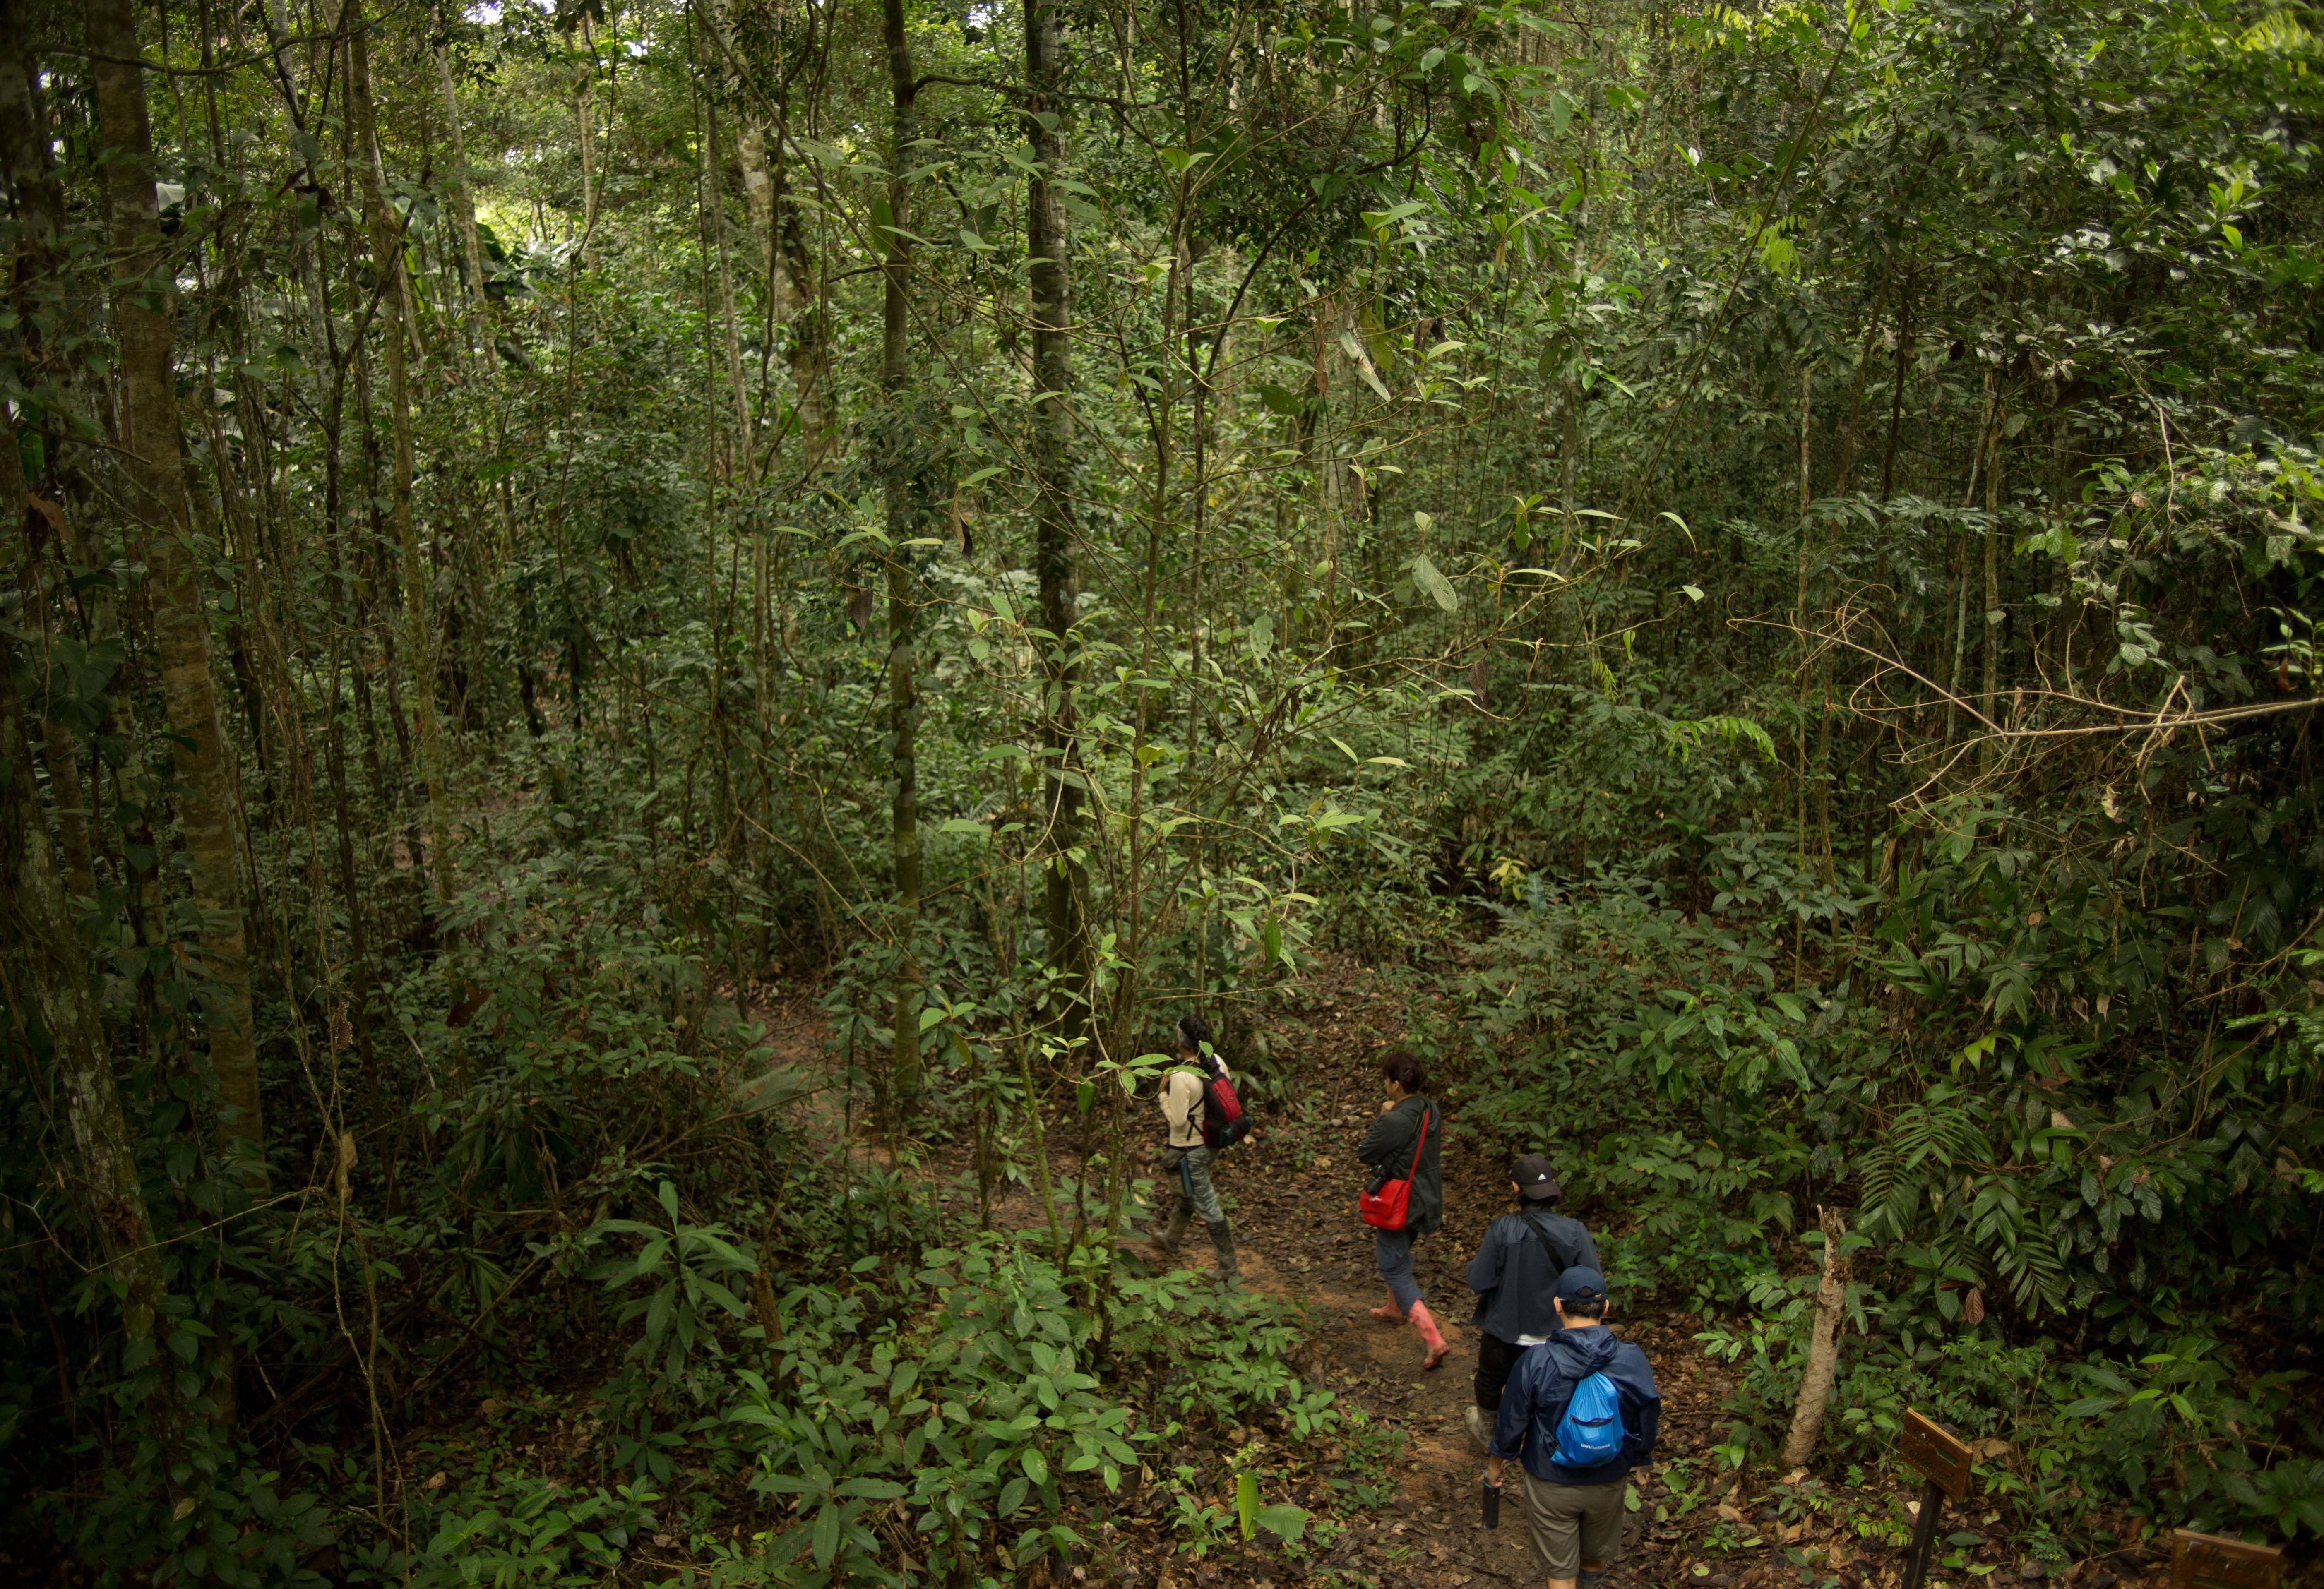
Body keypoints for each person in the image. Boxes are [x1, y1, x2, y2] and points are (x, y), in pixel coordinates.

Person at [1487, 1267, 1661, 1589]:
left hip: (1550, 1479)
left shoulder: (1536, 1360)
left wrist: (1496, 1464)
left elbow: (1511, 1421)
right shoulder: (1631, 1359)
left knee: (1560, 1571)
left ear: (1557, 1305)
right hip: (1608, 1476)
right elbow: (1648, 1412)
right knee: (1594, 1558)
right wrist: (1639, 1457)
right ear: (1605, 1307)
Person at [1462, 1155, 1602, 1451]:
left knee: (1489, 1382)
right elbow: (1591, 1286)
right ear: (1552, 1187)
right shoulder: (1575, 1231)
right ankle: (1546, 1441)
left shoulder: (1502, 1229)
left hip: (1505, 1335)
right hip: (1557, 1339)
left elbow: (1478, 1281)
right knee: (1551, 1389)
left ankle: (1490, 1434)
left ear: (1516, 1188)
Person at [1355, 1047, 1449, 1369]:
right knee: (1400, 1250)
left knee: (1393, 1266)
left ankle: (1433, 1340)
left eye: (1385, 1080)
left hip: (1401, 1201)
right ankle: (1395, 1308)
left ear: (1395, 1084)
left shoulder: (1395, 1119)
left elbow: (1365, 1151)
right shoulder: (1430, 1108)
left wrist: (1384, 1116)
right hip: (1426, 1195)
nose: (1384, 1085)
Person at [1149, 1015, 1237, 1284]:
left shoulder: (1181, 1075)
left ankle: (1228, 1266)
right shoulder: (1216, 1061)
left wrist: (1162, 1094)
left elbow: (1177, 1121)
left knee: (1207, 1204)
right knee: (1187, 1194)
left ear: (1180, 1042)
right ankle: (1171, 1238)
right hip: (1212, 1142)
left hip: (1191, 1149)